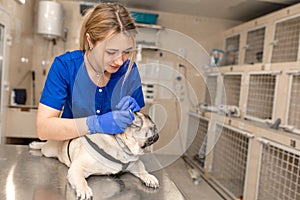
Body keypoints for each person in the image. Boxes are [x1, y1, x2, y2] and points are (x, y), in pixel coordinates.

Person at [36, 3, 145, 141]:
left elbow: (134, 130)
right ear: (90, 41)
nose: (119, 61)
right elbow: (44, 129)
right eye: (111, 52)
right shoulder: (65, 67)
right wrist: (93, 124)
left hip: (113, 156)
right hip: (72, 154)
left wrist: (134, 115)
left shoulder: (129, 71)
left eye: (126, 52)